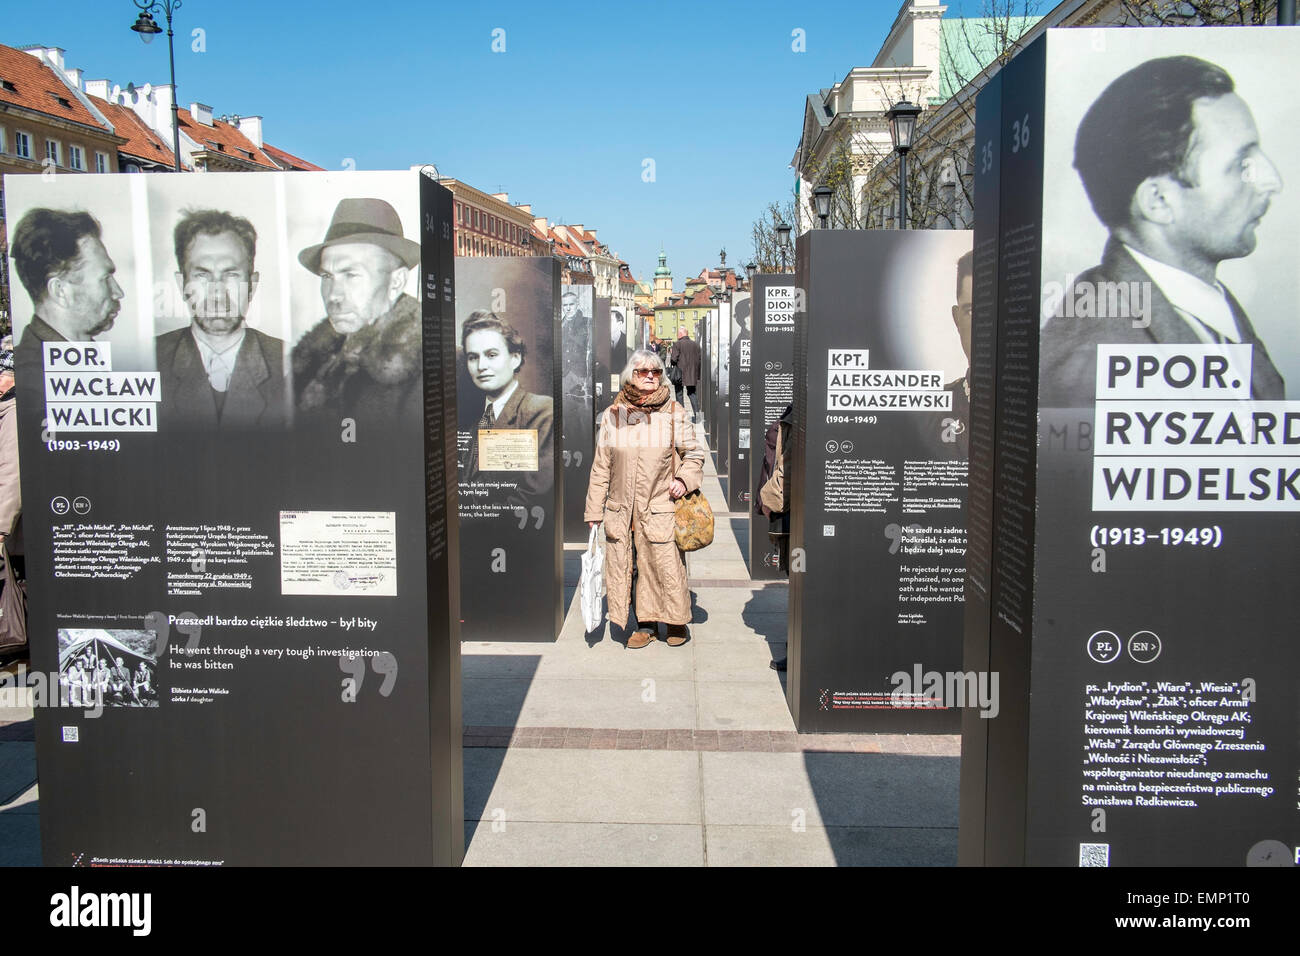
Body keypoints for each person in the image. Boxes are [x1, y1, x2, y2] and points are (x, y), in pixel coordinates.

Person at [1041, 55, 1284, 407]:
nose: (1272, 181)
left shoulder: (1206, 306)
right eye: (1241, 164)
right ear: (1158, 201)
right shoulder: (1091, 369)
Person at [585, 348, 704, 648]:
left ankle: (676, 621)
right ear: (630, 376)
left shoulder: (674, 413)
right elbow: (601, 465)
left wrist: (683, 480)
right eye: (643, 372)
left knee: (665, 565)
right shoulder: (613, 416)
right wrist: (593, 511)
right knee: (632, 567)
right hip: (622, 511)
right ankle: (645, 625)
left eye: (656, 372)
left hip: (659, 507)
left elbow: (693, 453)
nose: (650, 376)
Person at [292, 198, 422, 430]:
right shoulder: (312, 364)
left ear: (397, 282)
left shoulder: (424, 368)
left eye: (351, 275)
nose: (333, 295)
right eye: (327, 277)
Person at [157, 209, 287, 430]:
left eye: (231, 275)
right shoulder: (147, 359)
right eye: (202, 275)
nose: (217, 293)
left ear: (252, 285)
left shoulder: (291, 364)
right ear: (182, 285)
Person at [9, 208, 123, 391]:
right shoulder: (34, 383)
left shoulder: (78, 363)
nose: (118, 292)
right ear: (60, 291)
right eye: (105, 279)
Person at [459, 310, 555, 503]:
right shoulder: (469, 419)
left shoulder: (541, 412)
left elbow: (532, 496)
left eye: (491, 355)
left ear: (515, 358)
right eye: (472, 357)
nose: (481, 366)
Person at [669, 327, 701, 421]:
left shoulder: (677, 344)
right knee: (692, 394)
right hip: (692, 374)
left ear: (681, 334)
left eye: (677, 333)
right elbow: (699, 359)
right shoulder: (695, 345)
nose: (677, 335)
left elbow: (673, 360)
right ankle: (698, 417)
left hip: (680, 374)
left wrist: (672, 357)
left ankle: (682, 417)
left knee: (679, 394)